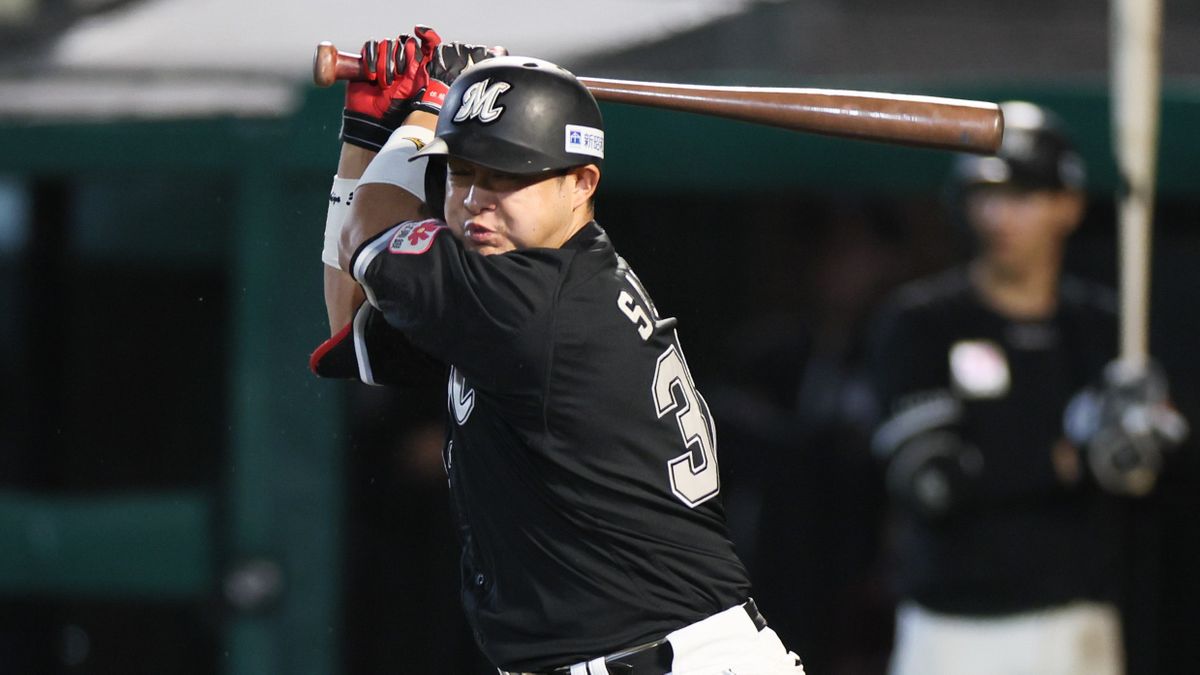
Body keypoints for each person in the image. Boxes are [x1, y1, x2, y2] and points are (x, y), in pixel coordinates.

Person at [309, 26, 805, 675]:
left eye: (508, 177)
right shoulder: (510, 286)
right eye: (461, 172)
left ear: (581, 182)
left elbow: (366, 232)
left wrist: (425, 109)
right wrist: (372, 134)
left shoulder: (532, 305)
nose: (476, 202)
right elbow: (351, 313)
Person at [865, 101, 1189, 675]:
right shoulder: (922, 322)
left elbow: (1148, 482)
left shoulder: (1107, 329)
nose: (1001, 217)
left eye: (1024, 196)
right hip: (953, 629)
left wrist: (1138, 444)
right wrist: (1066, 458)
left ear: (1066, 205)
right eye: (987, 195)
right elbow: (934, 483)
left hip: (1076, 623)